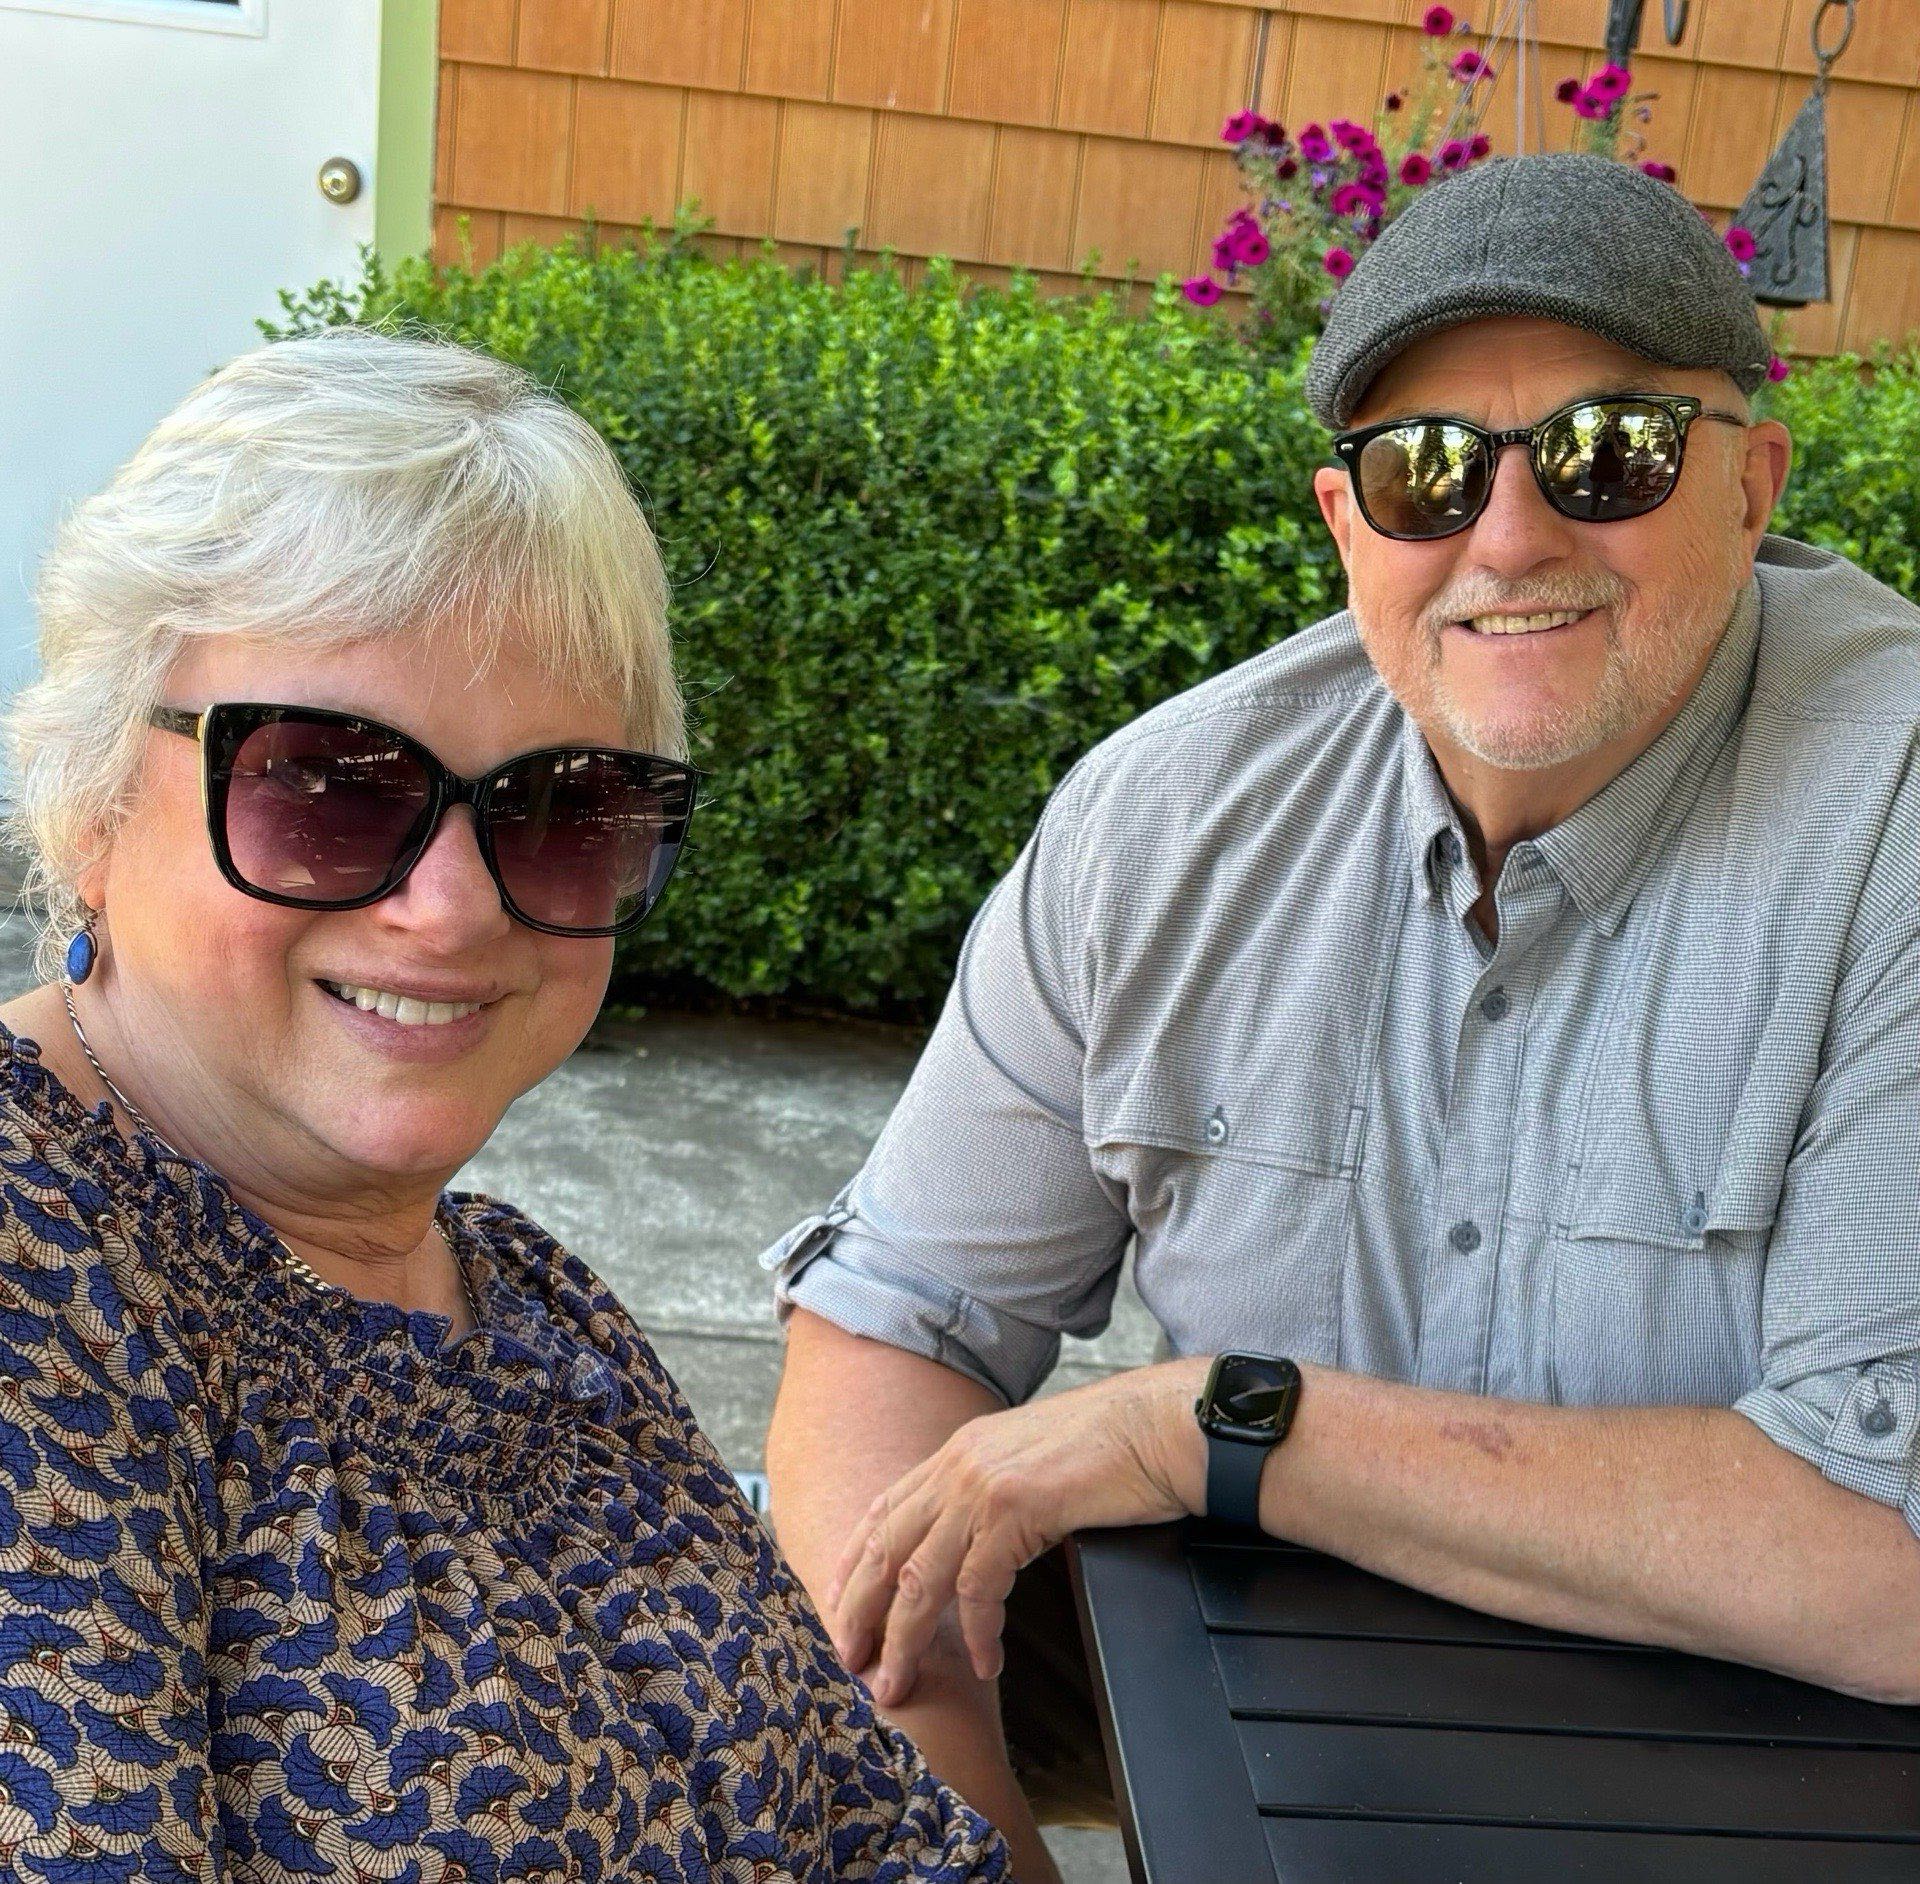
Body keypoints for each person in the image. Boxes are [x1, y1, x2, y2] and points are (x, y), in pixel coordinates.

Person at [761, 151, 1920, 1881]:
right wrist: (948, 1839)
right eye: (1426, 469)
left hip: (1780, 1781)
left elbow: (1888, 1558)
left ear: (1751, 486)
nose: (1509, 537)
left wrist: (1217, 1427)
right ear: (1343, 522)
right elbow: (898, 1324)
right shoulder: (1165, 819)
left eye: (1610, 453)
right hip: (1236, 1720)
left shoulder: (1892, 816)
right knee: (671, 1637)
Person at [0, 328, 1008, 1880]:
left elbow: (868, 1814)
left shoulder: (531, 1303)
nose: (455, 906)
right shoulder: (39, 1280)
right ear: (90, 797)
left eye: (562, 809)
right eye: (327, 783)